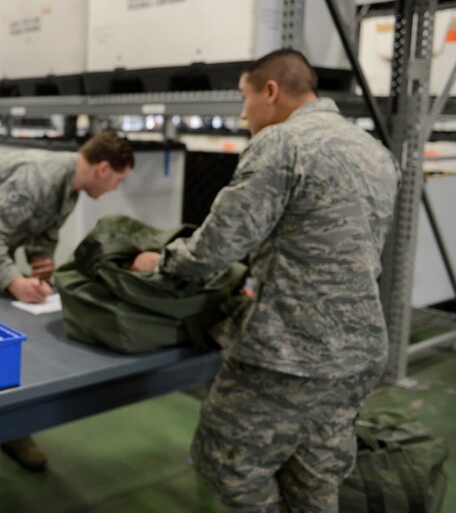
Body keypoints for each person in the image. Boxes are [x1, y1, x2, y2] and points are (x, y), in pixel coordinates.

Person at [130, 49, 401, 511]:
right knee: (316, 481)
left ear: (271, 92)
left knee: (225, 462)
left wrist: (161, 262)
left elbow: (215, 247)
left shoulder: (283, 143)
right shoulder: (375, 153)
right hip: (359, 354)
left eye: (245, 98)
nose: (242, 113)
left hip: (289, 353)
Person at [0, 130, 134, 480]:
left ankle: (11, 430)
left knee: (1, 326)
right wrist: (14, 281)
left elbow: (42, 234)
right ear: (104, 169)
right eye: (118, 181)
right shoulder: (41, 178)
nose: (114, 190)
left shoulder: (69, 189)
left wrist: (39, 266)